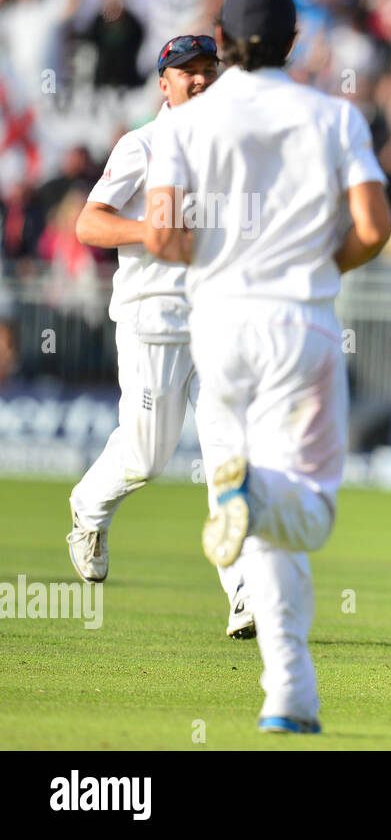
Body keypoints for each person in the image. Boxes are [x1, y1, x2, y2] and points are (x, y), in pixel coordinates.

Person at [144, 0, 391, 733]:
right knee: (306, 511)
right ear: (294, 40)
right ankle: (248, 494)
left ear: (223, 42)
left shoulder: (185, 120)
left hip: (216, 325)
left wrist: (215, 263)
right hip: (302, 326)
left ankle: (289, 691)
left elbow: (160, 234)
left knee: (268, 512)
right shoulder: (333, 114)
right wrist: (320, 270)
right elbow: (374, 228)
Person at [68, 34, 252, 640]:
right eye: (186, 72)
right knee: (148, 456)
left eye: (207, 70)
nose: (198, 80)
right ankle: (89, 509)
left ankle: (245, 591)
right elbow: (89, 223)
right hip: (154, 322)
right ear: (163, 83)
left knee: (230, 454)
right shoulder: (141, 145)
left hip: (217, 322)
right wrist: (151, 230)